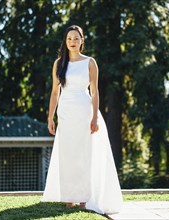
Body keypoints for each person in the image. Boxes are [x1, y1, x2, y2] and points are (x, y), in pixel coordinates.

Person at [42, 25, 123, 215]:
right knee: (68, 153)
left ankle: (84, 198)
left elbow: (94, 92)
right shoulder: (58, 64)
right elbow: (55, 92)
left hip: (85, 111)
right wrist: (50, 117)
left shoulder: (90, 62)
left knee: (85, 154)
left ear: (82, 40)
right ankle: (70, 196)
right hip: (65, 113)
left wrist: (94, 117)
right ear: (65, 41)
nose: (72, 42)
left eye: (76, 38)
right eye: (69, 38)